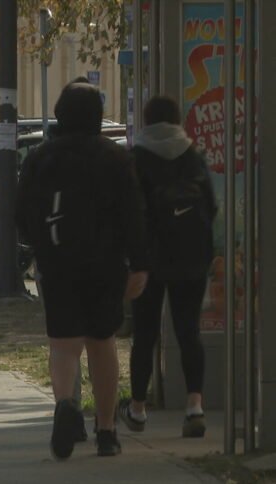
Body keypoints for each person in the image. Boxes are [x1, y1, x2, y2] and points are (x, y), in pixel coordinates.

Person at [16, 81, 148, 459]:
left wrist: (39, 245)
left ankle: (65, 404)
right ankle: (106, 430)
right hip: (106, 262)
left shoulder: (40, 158)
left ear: (60, 113)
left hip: (57, 261)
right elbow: (133, 213)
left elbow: (23, 212)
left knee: (63, 343)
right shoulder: (115, 157)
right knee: (102, 342)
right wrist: (139, 262)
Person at [119, 95, 216, 439]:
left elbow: (130, 212)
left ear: (147, 121)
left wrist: (132, 258)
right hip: (191, 256)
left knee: (145, 334)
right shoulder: (194, 156)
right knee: (189, 332)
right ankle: (194, 406)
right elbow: (211, 206)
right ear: (177, 119)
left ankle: (137, 409)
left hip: (149, 259)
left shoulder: (136, 158)